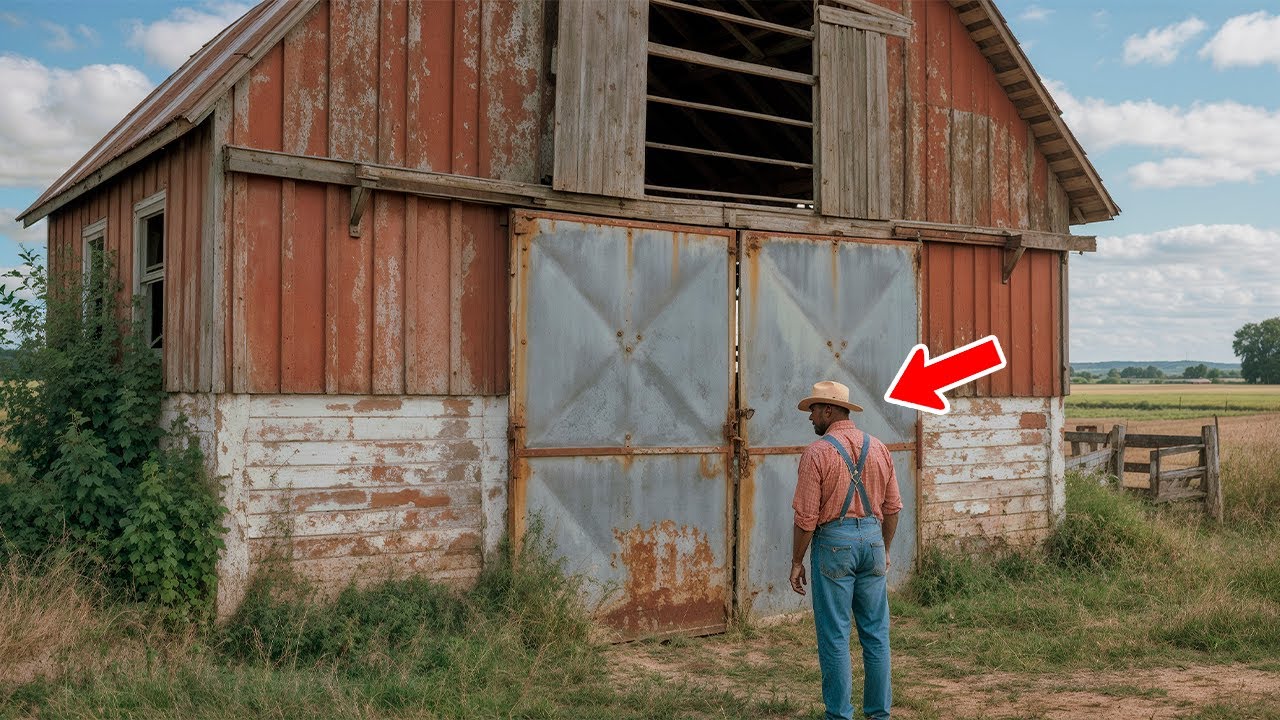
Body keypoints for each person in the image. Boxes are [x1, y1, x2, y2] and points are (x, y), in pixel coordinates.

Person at [790, 380, 903, 720]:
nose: (810, 417)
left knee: (835, 636)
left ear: (828, 410)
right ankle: (879, 715)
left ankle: (839, 716)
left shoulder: (817, 453)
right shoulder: (879, 448)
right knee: (876, 635)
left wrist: (796, 561)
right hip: (872, 540)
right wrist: (884, 549)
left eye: (814, 410)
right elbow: (893, 508)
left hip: (835, 544)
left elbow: (806, 518)